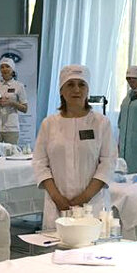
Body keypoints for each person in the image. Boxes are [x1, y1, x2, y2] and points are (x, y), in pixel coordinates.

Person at [33, 64, 117, 229]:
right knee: (57, 243)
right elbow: (39, 162)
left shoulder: (101, 123)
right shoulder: (49, 124)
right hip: (57, 206)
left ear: (88, 90)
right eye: (70, 84)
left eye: (81, 84)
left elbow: (108, 162)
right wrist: (58, 198)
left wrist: (84, 198)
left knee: (91, 242)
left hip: (92, 205)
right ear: (61, 91)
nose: (76, 90)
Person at [0, 57, 28, 146]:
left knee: (11, 152)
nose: (4, 69)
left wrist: (11, 103)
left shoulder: (19, 86)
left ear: (13, 69)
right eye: (2, 67)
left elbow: (25, 109)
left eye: (7, 66)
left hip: (11, 128)